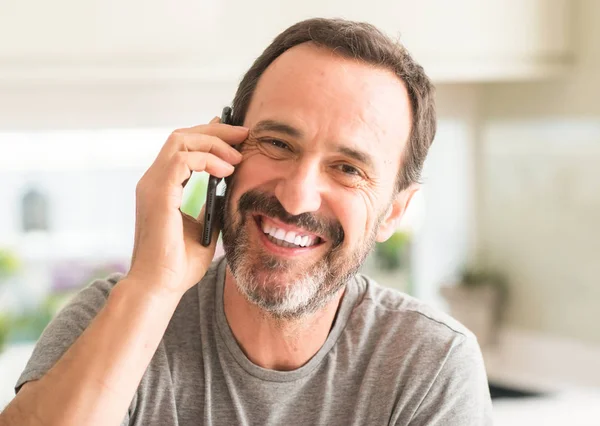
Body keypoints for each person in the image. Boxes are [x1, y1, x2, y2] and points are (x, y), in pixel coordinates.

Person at [0, 18, 492, 426]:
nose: (297, 196)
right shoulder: (113, 319)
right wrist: (152, 288)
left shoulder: (429, 363)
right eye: (277, 144)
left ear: (396, 211)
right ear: (223, 148)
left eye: (348, 169)